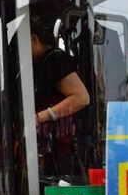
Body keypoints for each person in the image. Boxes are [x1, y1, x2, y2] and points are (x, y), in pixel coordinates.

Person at [30, 17, 90, 177]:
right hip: (49, 143)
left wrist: (40, 117)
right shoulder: (38, 64)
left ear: (34, 39)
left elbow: (81, 97)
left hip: (62, 140)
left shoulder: (55, 59)